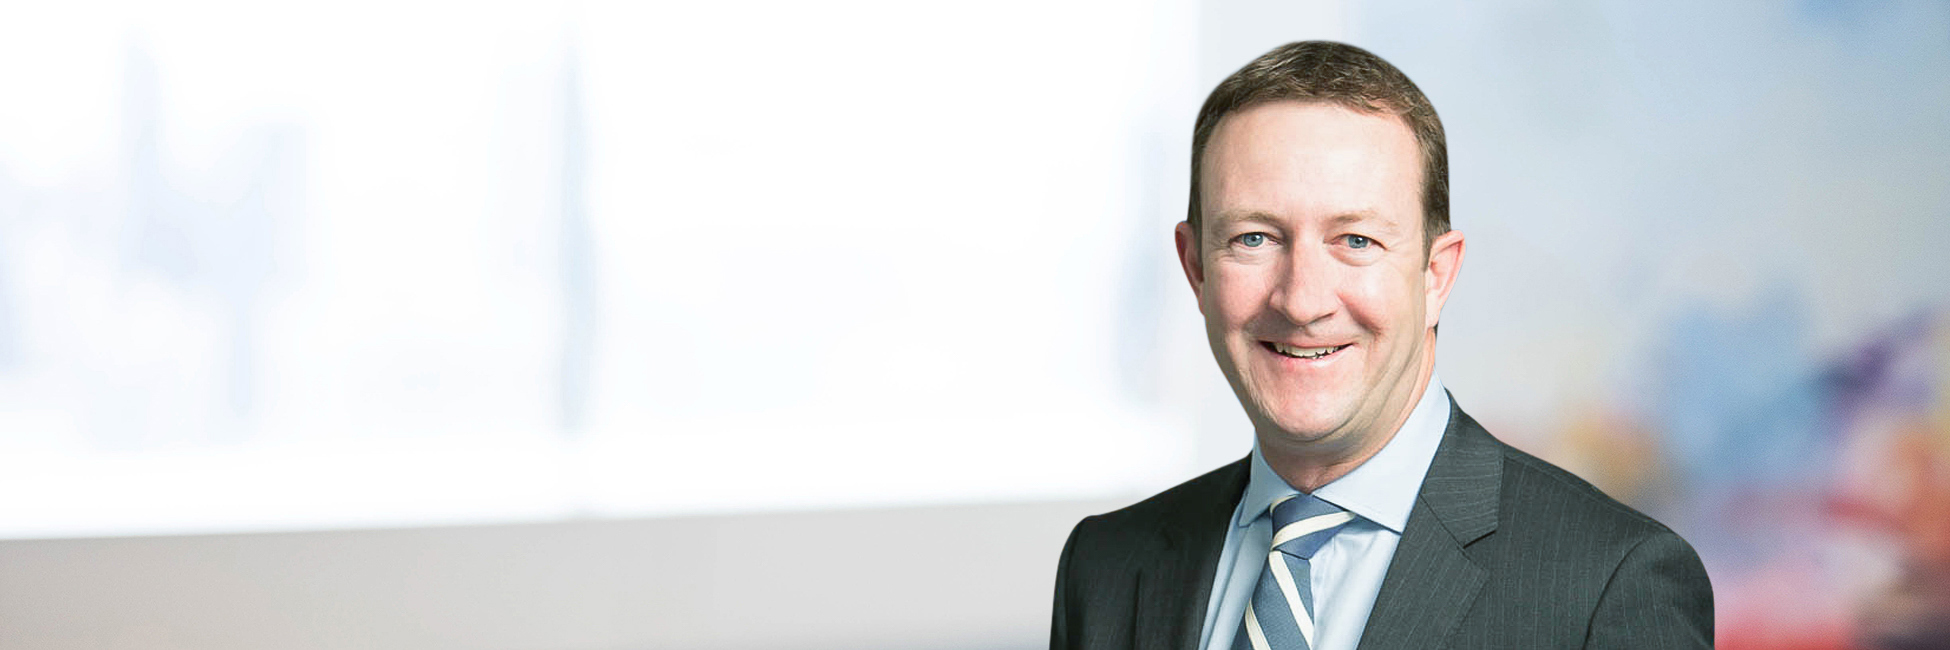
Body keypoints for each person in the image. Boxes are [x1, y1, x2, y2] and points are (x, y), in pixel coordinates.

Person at [1049, 41, 1713, 650]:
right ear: (1196, 267)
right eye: (1254, 238)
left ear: (1436, 275)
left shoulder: (1610, 585)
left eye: (1356, 240)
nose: (1302, 300)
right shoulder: (1106, 567)